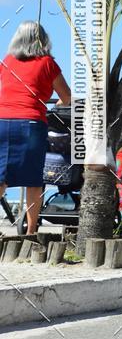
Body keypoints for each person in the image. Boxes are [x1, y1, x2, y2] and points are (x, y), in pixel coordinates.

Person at [0, 22, 71, 232]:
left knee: (1, 176)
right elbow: (66, 97)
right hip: (30, 124)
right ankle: (31, 231)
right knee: (33, 179)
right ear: (43, 39)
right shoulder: (47, 63)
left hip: (2, 122)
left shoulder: (7, 61)